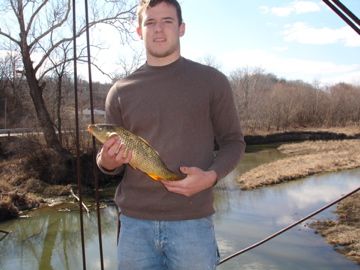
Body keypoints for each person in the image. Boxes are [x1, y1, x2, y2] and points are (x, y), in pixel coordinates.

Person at [96, 0, 246, 269]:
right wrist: (107, 161)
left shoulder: (212, 81)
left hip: (193, 223)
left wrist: (210, 177)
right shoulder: (120, 91)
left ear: (181, 28)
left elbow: (233, 142)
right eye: (150, 22)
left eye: (167, 21)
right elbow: (110, 165)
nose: (158, 30)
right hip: (134, 226)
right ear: (139, 31)